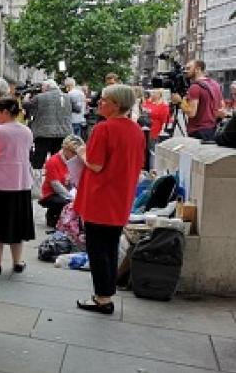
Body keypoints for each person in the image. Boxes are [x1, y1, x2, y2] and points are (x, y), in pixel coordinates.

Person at [74, 84, 145, 315]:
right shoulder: (135, 130)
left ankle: (103, 298)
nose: (99, 103)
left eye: (104, 99)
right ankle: (105, 293)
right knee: (110, 247)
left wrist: (82, 152)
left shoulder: (104, 129)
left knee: (98, 250)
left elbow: (95, 164)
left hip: (100, 197)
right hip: (121, 197)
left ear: (116, 104)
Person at [0, 98, 34, 275]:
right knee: (18, 223)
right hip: (21, 182)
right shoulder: (26, 131)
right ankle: (17, 261)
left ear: (5, 112)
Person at [24, 79, 74, 169]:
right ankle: (55, 179)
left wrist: (27, 96)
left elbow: (27, 105)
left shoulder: (39, 97)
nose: (41, 89)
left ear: (46, 87)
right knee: (58, 160)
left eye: (42, 87)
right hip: (63, 133)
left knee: (38, 160)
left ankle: (37, 180)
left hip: (44, 133)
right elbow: (77, 109)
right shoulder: (67, 97)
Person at [172, 59, 224, 141]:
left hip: (198, 132)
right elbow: (221, 108)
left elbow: (191, 113)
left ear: (198, 69)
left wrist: (180, 101)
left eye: (189, 68)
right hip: (212, 130)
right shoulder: (216, 84)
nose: (186, 71)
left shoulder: (195, 87)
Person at [38, 135, 84, 227]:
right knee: (66, 202)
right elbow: (56, 185)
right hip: (50, 194)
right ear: (66, 150)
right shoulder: (53, 161)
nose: (76, 155)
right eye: (74, 153)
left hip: (69, 190)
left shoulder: (76, 161)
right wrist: (71, 198)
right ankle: (53, 218)